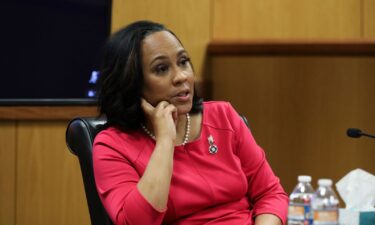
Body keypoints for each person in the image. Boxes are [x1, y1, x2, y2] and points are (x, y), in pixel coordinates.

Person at [93, 20, 288, 225]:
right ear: (131, 82)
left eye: (183, 61)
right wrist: (165, 140)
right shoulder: (111, 146)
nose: (181, 76)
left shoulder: (223, 116)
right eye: (161, 69)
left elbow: (270, 194)